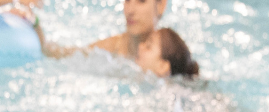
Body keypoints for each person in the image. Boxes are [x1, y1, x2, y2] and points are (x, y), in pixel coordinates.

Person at [25, 0, 199, 79]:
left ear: (161, 5)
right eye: (127, 1)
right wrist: (34, 21)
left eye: (141, 1)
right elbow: (58, 53)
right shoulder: (111, 48)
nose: (130, 10)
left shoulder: (172, 50)